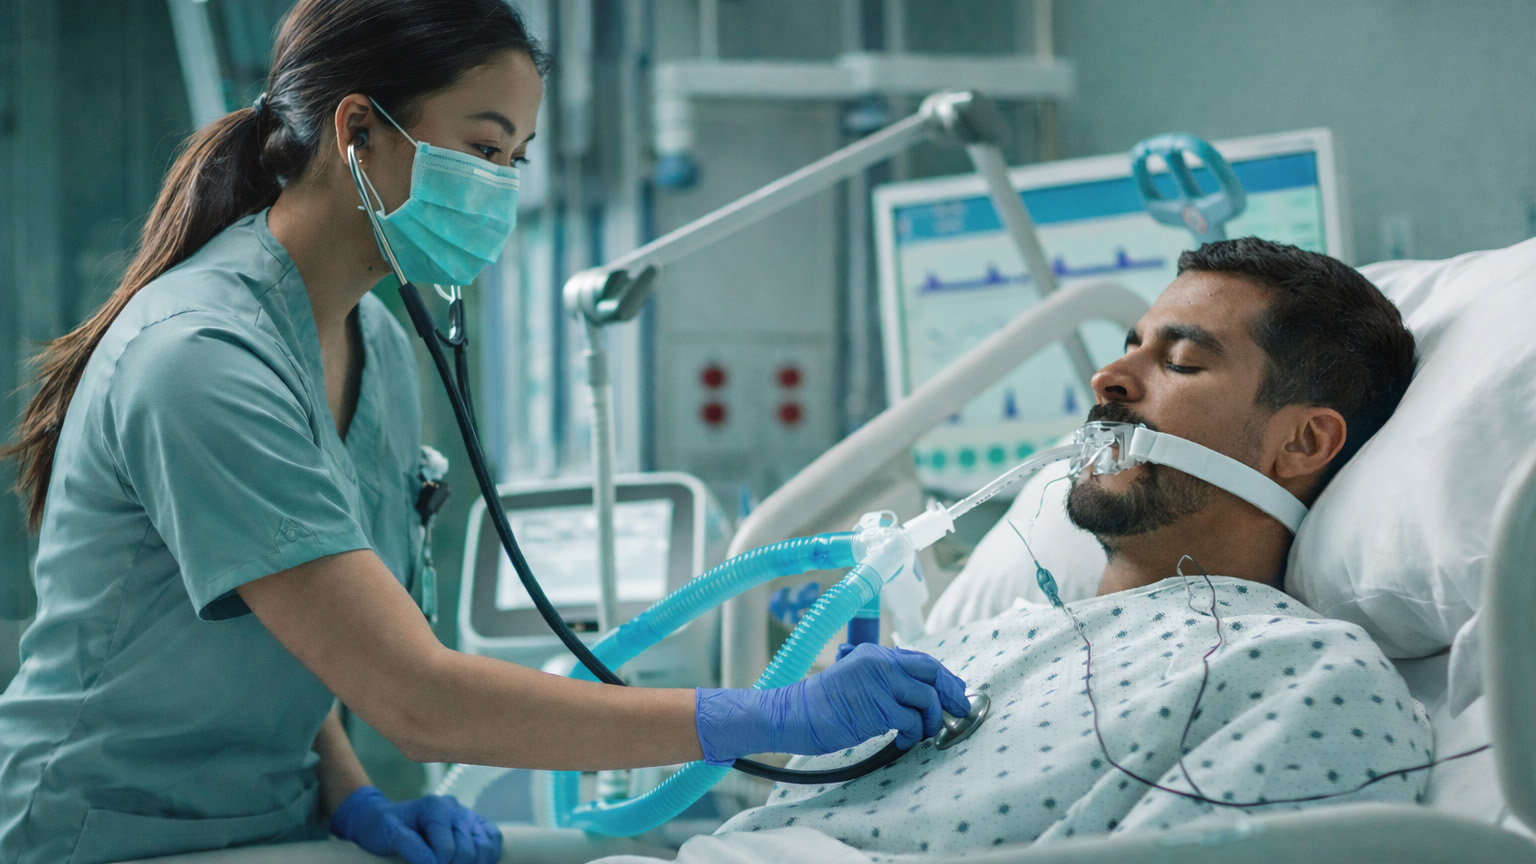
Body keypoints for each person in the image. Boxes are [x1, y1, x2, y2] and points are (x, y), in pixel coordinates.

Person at [0, 2, 968, 863]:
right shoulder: (203, 359)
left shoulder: (369, 332)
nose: (499, 186)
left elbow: (297, 634)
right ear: (358, 133)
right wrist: (775, 716)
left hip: (269, 821)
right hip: (104, 833)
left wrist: (357, 800)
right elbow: (418, 702)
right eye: (482, 148)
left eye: (515, 160)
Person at [699, 239, 1430, 857]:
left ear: (1303, 442)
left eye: (1179, 362)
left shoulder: (1307, 676)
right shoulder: (969, 645)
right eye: (1129, 347)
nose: (1107, 379)